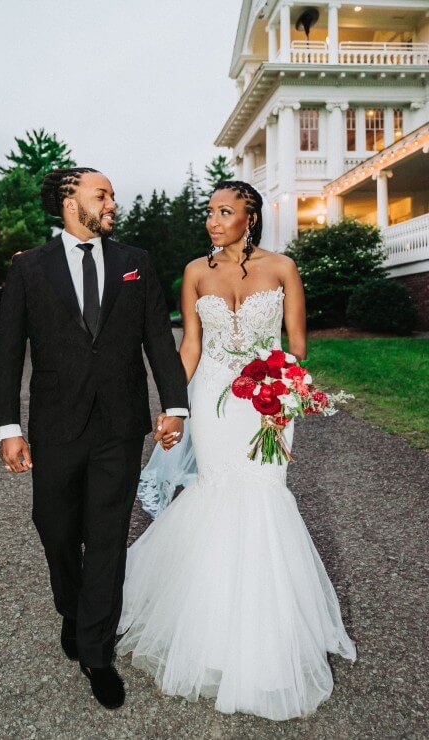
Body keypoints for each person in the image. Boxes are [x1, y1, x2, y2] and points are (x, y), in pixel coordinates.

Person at [117, 181, 356, 720]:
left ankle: (268, 638)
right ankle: (208, 634)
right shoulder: (195, 272)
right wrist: (175, 407)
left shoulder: (283, 268)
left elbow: (295, 343)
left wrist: (283, 392)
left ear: (251, 217)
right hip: (213, 398)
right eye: (210, 211)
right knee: (217, 491)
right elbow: (192, 344)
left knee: (265, 495)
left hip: (268, 396)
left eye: (225, 211)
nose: (213, 220)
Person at [0, 168, 188, 710]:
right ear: (68, 200)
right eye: (102, 194)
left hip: (119, 425)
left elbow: (156, 338)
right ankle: (73, 610)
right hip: (56, 424)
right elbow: (7, 351)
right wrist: (8, 427)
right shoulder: (29, 268)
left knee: (106, 537)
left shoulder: (135, 263)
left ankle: (96, 652)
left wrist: (175, 404)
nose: (112, 204)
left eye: (113, 195)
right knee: (53, 525)